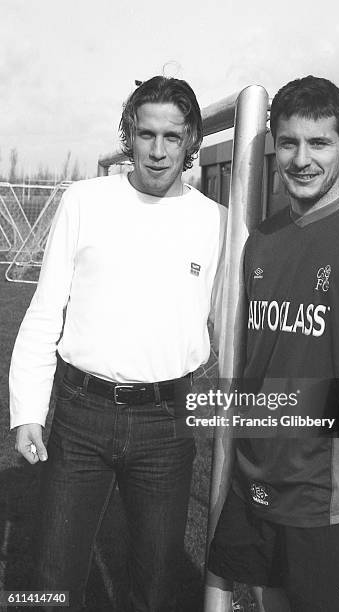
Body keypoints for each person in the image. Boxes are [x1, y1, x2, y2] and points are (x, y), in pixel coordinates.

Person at [206, 75, 339, 612]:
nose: (302, 159)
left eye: (320, 142)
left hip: (335, 506)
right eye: (289, 142)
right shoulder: (262, 240)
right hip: (257, 485)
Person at [10, 75, 226, 612]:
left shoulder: (216, 222)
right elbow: (45, 309)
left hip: (166, 423)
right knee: (53, 577)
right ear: (129, 135)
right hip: (81, 417)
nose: (157, 151)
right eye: (145, 134)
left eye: (171, 137)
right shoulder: (85, 201)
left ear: (191, 140)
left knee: (154, 585)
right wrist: (27, 411)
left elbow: (231, 325)